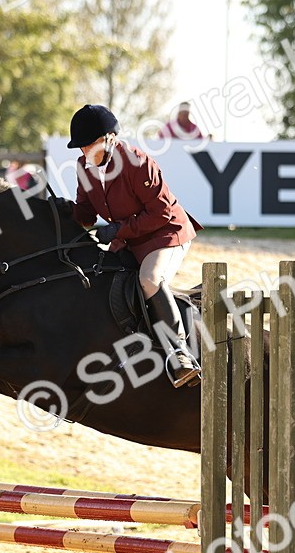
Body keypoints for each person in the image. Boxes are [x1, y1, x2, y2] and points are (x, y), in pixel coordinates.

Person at [67, 103, 202, 388]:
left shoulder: (137, 163)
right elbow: (84, 214)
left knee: (149, 278)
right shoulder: (84, 168)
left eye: (89, 146)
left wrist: (119, 229)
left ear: (109, 139)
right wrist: (55, 210)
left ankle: (180, 353)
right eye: (81, 148)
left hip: (167, 233)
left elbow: (161, 213)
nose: (84, 153)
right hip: (129, 238)